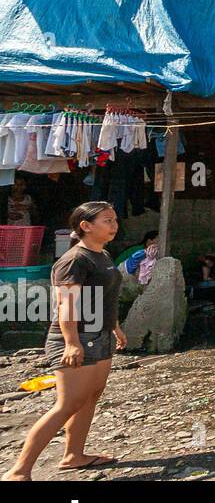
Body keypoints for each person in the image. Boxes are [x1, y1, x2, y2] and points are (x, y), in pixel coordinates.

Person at [4, 201, 125, 480]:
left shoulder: (102, 255)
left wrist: (115, 326)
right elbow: (66, 305)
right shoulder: (74, 260)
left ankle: (74, 455)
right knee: (68, 403)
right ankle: (19, 471)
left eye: (115, 220)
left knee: (89, 398)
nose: (114, 226)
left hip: (100, 334)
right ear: (85, 226)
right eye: (107, 220)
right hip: (76, 337)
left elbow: (102, 297)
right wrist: (72, 343)